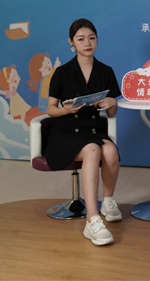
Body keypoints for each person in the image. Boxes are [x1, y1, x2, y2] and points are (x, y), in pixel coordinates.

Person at [45, 18, 122, 246]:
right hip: (65, 132)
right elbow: (50, 109)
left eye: (91, 38)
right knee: (92, 150)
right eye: (81, 39)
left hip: (92, 130)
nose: (87, 43)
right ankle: (92, 220)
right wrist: (65, 109)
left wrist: (111, 103)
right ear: (71, 42)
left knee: (111, 151)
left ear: (97, 39)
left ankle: (108, 201)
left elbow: (112, 113)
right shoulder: (62, 72)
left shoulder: (106, 71)